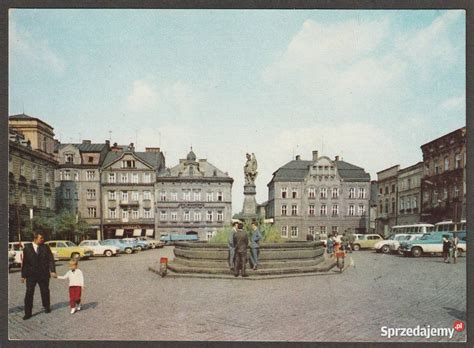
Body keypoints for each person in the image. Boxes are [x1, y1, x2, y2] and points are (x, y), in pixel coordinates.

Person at [21, 232, 57, 320]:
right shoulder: (27, 248)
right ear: (35, 238)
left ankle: (47, 306)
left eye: (43, 238)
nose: (42, 240)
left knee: (45, 291)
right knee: (29, 293)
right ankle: (28, 313)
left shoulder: (45, 247)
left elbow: (50, 259)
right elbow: (25, 263)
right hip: (31, 275)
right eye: (41, 238)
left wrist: (52, 271)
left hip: (43, 274)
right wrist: (23, 275)